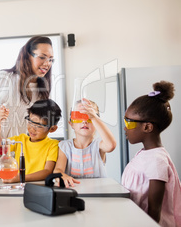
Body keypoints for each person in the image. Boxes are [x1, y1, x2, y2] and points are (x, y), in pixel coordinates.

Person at [0, 36, 55, 178]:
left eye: (50, 59)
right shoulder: (1, 78)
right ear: (27, 56)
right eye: (42, 57)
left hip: (20, 159)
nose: (47, 63)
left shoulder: (42, 92)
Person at [121, 81, 181, 226]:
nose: (125, 128)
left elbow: (155, 212)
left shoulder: (157, 160)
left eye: (129, 123)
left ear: (147, 127)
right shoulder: (144, 154)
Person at [0, 99, 61, 183]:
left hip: (39, 187)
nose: (32, 129)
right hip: (19, 186)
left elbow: (47, 172)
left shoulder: (53, 145)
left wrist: (21, 178)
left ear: (52, 129)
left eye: (39, 126)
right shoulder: (20, 140)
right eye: (30, 122)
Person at [53, 99, 117, 188]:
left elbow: (111, 145)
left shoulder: (99, 145)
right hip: (73, 191)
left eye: (89, 117)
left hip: (98, 192)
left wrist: (94, 117)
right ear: (71, 124)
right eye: (79, 117)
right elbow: (58, 170)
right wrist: (61, 176)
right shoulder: (65, 146)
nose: (84, 121)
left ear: (96, 123)